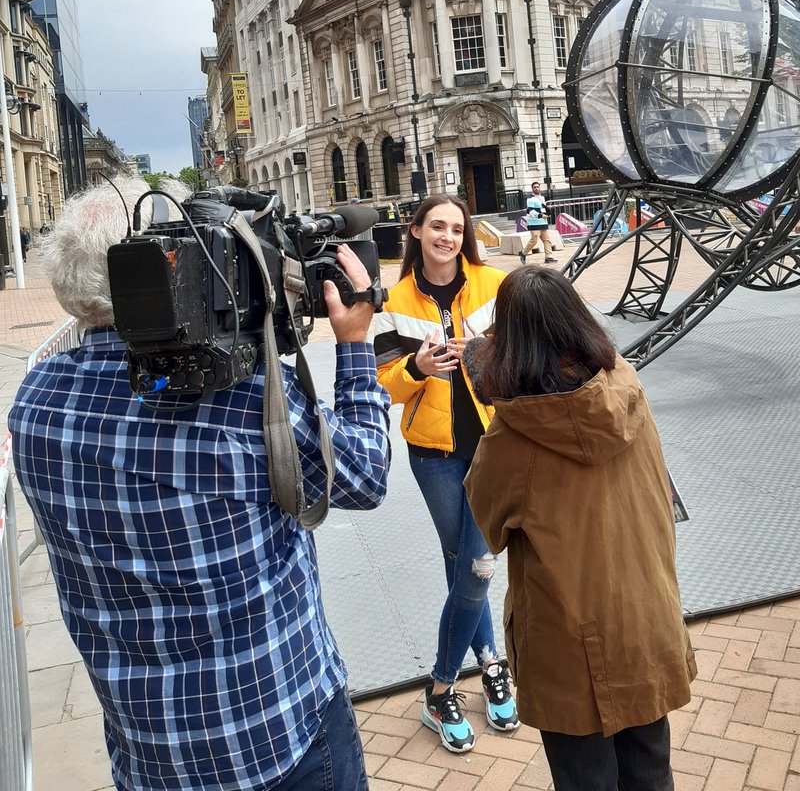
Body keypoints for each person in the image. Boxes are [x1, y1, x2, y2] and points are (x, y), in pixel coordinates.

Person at [9, 179, 391, 791]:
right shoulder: (238, 397)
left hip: (150, 755)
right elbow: (366, 474)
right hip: (277, 736)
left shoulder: (34, 402)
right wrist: (354, 347)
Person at [464, 266, 696, 791]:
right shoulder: (625, 384)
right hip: (644, 616)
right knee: (651, 773)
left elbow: (489, 522)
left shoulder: (514, 435)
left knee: (585, 780)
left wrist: (483, 375)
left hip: (569, 639)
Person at [373, 194, 518, 752]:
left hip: (491, 444)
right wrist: (418, 366)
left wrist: (480, 350)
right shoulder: (394, 299)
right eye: (437, 225)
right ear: (414, 231)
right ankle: (491, 662)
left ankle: (440, 685)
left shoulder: (494, 285)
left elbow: (519, 355)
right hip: (432, 451)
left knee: (477, 562)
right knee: (464, 561)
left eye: (457, 227)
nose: (448, 236)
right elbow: (382, 384)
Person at [520, 181, 555, 264]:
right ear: (532, 189)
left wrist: (547, 214)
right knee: (534, 240)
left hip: (543, 222)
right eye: (534, 187)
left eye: (537, 187)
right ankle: (523, 253)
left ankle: (549, 257)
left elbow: (543, 208)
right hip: (534, 222)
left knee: (547, 240)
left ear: (540, 188)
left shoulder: (542, 198)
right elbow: (530, 210)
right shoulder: (530, 199)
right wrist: (540, 215)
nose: (536, 188)